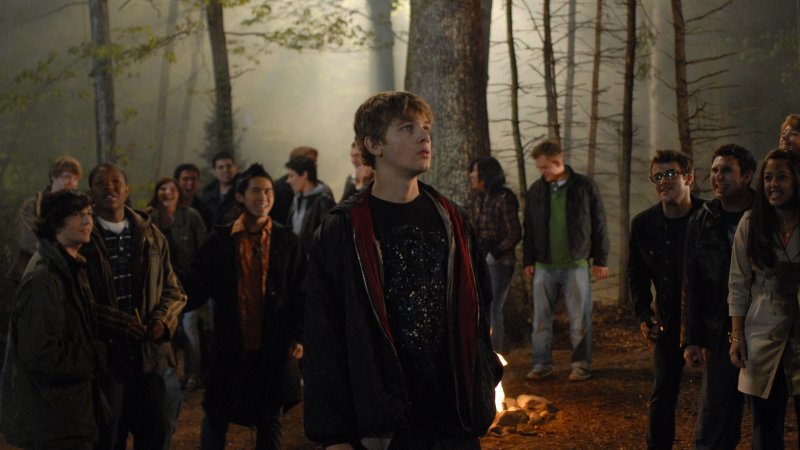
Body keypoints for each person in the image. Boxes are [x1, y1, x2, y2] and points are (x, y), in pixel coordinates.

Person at [304, 91, 502, 449]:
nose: (424, 136)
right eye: (407, 128)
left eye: (425, 128)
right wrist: (334, 435)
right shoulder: (344, 230)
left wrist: (483, 384)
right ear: (373, 145)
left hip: (453, 420)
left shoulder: (453, 221)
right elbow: (325, 335)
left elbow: (479, 313)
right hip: (386, 428)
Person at [186, 163, 306, 450]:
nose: (263, 197)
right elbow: (196, 284)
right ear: (240, 196)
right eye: (255, 191)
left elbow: (301, 292)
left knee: (270, 416)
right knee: (216, 414)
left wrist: (298, 335)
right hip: (229, 344)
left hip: (273, 345)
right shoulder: (220, 241)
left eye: (268, 191)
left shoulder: (287, 241)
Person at [81, 163, 186, 450]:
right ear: (91, 193)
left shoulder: (151, 235)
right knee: (108, 436)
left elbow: (174, 290)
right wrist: (117, 322)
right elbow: (74, 301)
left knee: (154, 432)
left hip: (149, 356)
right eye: (100, 183)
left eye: (116, 182)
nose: (109, 187)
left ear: (127, 190)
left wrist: (162, 321)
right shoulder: (83, 238)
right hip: (104, 358)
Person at [0, 190, 100, 449]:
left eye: (89, 213)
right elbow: (41, 353)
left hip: (67, 411)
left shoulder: (68, 267)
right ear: (56, 223)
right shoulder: (43, 278)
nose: (87, 221)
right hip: (53, 418)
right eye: (77, 215)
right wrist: (96, 356)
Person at [628, 149, 703, 450]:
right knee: (662, 393)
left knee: (720, 394)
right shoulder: (644, 225)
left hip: (710, 318)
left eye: (671, 173)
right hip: (668, 320)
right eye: (657, 176)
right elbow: (636, 274)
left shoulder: (708, 218)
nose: (663, 181)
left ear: (689, 178)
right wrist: (643, 314)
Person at [683, 144, 755, 449]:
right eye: (714, 170)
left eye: (726, 170)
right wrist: (691, 338)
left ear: (747, 175)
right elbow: (693, 284)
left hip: (763, 324)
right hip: (719, 329)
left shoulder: (765, 215)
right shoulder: (702, 220)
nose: (718, 177)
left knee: (764, 418)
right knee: (713, 421)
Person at [728, 149, 800, 450]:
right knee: (766, 429)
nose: (773, 184)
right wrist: (737, 336)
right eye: (768, 178)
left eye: (782, 177)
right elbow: (738, 283)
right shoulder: (751, 223)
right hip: (762, 333)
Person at [522, 139, 609, 382]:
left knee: (580, 320)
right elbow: (529, 226)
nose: (542, 172)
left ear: (558, 162)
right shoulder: (536, 190)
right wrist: (529, 259)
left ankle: (581, 365)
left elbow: (598, 222)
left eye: (545, 167)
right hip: (543, 265)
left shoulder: (584, 186)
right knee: (540, 320)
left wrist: (601, 259)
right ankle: (541, 363)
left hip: (576, 264)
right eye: (540, 168)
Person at [148, 177, 208, 391]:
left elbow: (203, 246)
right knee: (167, 327)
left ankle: (193, 374)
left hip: (188, 280)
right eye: (162, 188)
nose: (168, 192)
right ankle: (170, 373)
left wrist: (199, 275)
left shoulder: (191, 216)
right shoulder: (151, 218)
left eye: (172, 188)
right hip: (161, 283)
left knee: (189, 327)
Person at [467, 156, 521, 353]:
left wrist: (495, 253)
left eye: (475, 170)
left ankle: (494, 355)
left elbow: (514, 233)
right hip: (483, 261)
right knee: (483, 309)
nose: (471, 175)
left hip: (499, 263)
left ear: (486, 174)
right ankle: (485, 353)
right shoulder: (482, 198)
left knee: (493, 309)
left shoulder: (504, 198)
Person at [7, 155, 83, 283]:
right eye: (67, 177)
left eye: (75, 179)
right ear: (54, 176)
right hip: (31, 271)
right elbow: (28, 240)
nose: (72, 182)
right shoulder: (33, 205)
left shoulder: (77, 208)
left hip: (65, 274)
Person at [271, 146, 334, 225]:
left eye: (314, 161)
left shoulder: (324, 191)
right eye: (309, 162)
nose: (314, 165)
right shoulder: (278, 187)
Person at [285, 155, 336, 246]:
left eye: (291, 176)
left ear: (304, 175)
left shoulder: (324, 201)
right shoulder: (297, 199)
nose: (288, 181)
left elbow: (329, 238)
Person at [200, 151, 239, 226]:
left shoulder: (245, 192)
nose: (225, 170)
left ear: (235, 168)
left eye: (229, 166)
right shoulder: (207, 196)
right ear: (214, 172)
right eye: (221, 167)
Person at [175, 163, 214, 229]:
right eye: (185, 179)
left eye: (194, 179)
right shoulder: (168, 206)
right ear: (177, 182)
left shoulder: (204, 211)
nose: (190, 183)